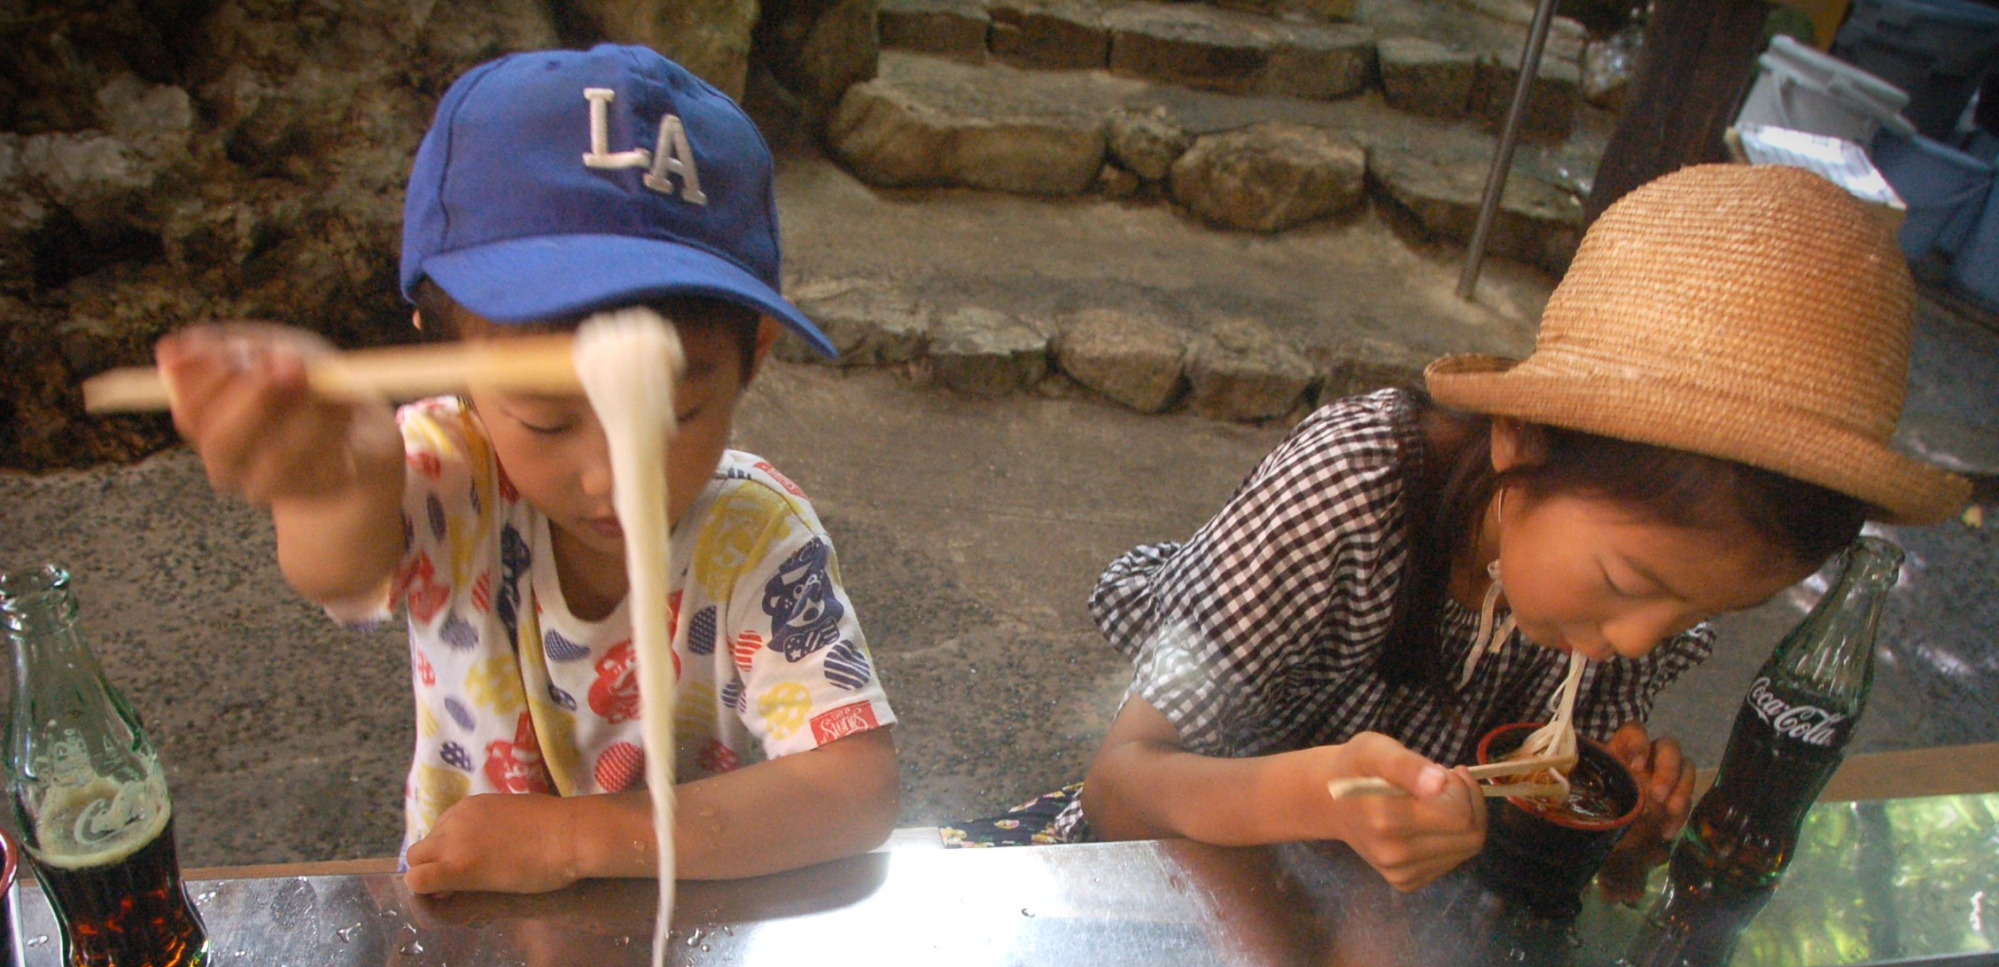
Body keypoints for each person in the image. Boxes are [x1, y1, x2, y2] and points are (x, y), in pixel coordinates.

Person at [955, 164, 1969, 891]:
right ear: (1520, 441)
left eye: (1705, 613)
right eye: (1627, 583)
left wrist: (1611, 837)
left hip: (1363, 917)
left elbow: (1516, 820)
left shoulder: (1623, 626)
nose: (1642, 640)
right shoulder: (1344, 492)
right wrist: (1314, 798)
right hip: (1146, 885)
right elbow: (1122, 786)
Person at [155, 46, 899, 893]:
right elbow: (336, 563)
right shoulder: (450, 473)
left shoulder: (755, 536)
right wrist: (319, 469)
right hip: (472, 926)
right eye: (548, 420)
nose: (613, 477)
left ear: (753, 358)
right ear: (448, 363)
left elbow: (852, 793)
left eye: (675, 417)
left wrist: (573, 839)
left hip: (690, 924)